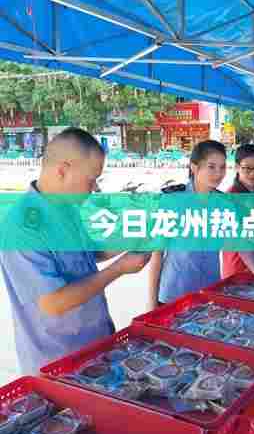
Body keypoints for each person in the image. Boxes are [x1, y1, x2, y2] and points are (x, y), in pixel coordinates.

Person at [0, 128, 151, 375]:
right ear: (62, 170)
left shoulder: (66, 208)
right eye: (91, 179)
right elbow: (53, 303)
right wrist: (119, 269)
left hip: (95, 343)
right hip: (58, 359)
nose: (94, 188)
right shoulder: (22, 226)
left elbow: (88, 253)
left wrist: (133, 236)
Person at [149, 140, 254, 307]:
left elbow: (240, 244)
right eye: (211, 167)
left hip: (209, 293)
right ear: (194, 167)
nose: (218, 173)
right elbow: (157, 255)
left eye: (222, 167)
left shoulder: (224, 203)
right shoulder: (172, 201)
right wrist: (151, 303)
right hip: (174, 294)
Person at [222, 144, 254, 278]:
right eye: (247, 168)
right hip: (239, 265)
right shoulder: (230, 197)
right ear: (237, 167)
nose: (253, 173)